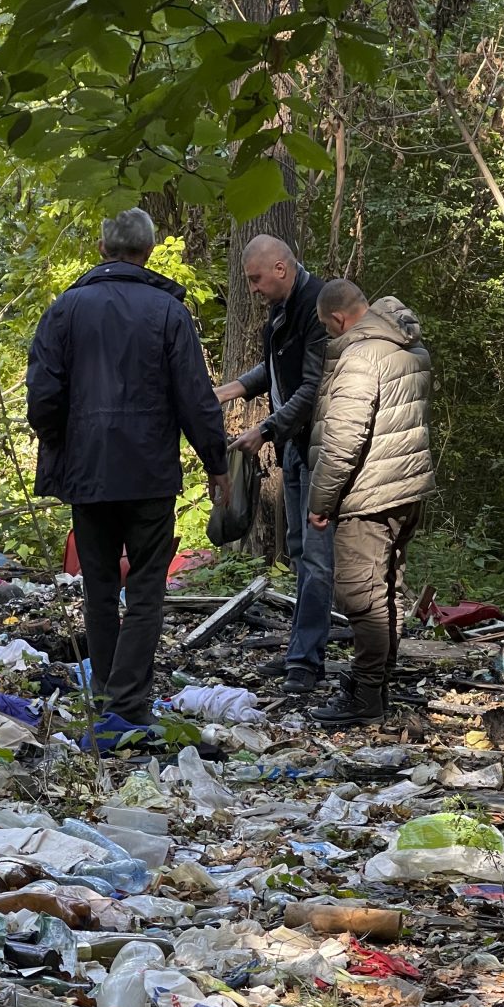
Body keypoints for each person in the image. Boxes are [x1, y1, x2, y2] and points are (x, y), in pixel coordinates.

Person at [26, 208, 229, 726]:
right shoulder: (168, 312)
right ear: (148, 250)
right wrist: (216, 464)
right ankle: (128, 705)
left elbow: (42, 395)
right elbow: (196, 398)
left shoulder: (66, 309)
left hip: (88, 474)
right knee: (145, 590)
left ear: (101, 249)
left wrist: (61, 445)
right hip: (148, 474)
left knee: (97, 586)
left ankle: (103, 701)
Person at [306, 279, 435, 726]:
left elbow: (344, 440)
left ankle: (364, 699)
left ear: (338, 319)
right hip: (405, 490)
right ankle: (376, 686)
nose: (330, 337)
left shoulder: (361, 356)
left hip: (368, 496)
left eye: (328, 329)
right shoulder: (407, 346)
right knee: (387, 594)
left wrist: (321, 501)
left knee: (362, 600)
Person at [216, 235, 333, 695]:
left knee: (319, 559)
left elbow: (312, 387)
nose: (253, 289)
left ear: (281, 268)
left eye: (256, 279)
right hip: (295, 448)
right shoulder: (283, 307)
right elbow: (273, 365)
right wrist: (231, 390)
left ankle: (305, 663)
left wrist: (264, 430)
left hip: (321, 449)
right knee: (300, 551)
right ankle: (300, 655)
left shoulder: (317, 305)